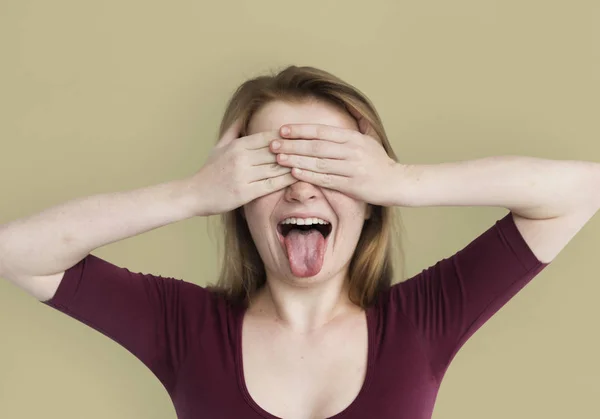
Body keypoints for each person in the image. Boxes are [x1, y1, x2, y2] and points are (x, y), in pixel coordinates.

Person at [4, 65, 597, 419]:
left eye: (334, 165)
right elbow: (16, 251)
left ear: (367, 201)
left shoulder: (421, 320)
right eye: (273, 167)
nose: (303, 189)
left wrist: (401, 181)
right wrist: (192, 193)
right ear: (238, 196)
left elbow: (582, 188)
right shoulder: (183, 325)